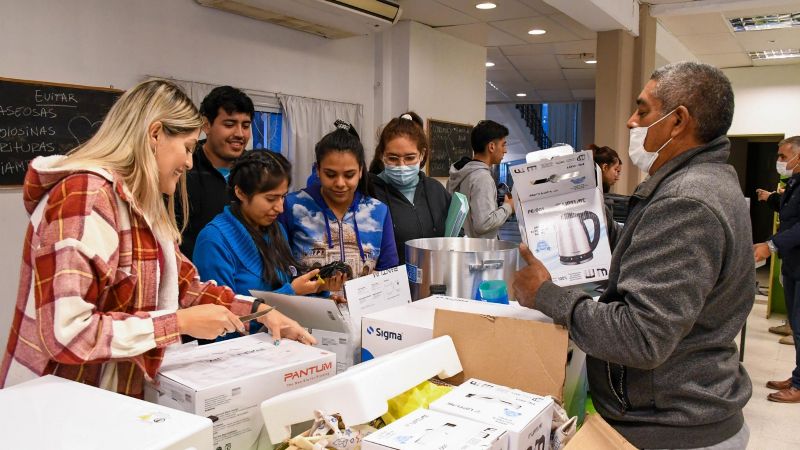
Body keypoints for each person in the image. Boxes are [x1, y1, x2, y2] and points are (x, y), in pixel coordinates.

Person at [0, 80, 312, 397]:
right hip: (59, 402)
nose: (190, 162)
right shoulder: (85, 198)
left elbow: (186, 287)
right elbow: (67, 333)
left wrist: (260, 310)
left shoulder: (140, 206)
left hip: (113, 397)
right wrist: (177, 323)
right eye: (188, 148)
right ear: (155, 135)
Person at [512, 62, 753, 448]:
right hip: (688, 409)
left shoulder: (686, 202)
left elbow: (641, 338)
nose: (629, 122)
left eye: (642, 110)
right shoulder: (710, 183)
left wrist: (547, 294)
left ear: (678, 122)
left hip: (671, 429)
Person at [194, 150, 339, 298]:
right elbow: (221, 314)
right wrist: (291, 292)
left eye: (283, 197)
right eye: (271, 199)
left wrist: (320, 295)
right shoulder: (213, 241)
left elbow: (288, 288)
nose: (280, 208)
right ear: (241, 193)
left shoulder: (276, 229)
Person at [280, 121, 399, 281]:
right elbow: (278, 268)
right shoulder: (291, 206)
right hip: (306, 304)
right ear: (317, 170)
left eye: (349, 175)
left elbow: (389, 272)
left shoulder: (379, 211)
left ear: (361, 172)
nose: (340, 183)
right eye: (330, 174)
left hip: (363, 305)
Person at [178, 85, 254, 259]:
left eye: (246, 125)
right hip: (192, 277)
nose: (240, 134)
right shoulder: (183, 167)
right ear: (206, 125)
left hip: (241, 278)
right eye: (229, 124)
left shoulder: (255, 171)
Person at [368, 112, 451, 264]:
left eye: (410, 158)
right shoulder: (369, 192)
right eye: (393, 158)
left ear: (422, 154)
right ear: (381, 155)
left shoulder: (435, 190)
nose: (402, 166)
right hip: (389, 283)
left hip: (433, 280)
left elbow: (454, 234)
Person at [754, 136, 800, 402]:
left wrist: (770, 245)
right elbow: (790, 210)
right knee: (796, 323)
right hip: (794, 263)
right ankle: (797, 377)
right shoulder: (793, 182)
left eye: (783, 157)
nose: (779, 162)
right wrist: (771, 198)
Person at [447, 120, 514, 239]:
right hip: (479, 253)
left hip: (463, 248)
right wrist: (508, 207)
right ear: (492, 147)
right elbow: (483, 224)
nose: (505, 150)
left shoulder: (461, 173)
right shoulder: (482, 178)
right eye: (503, 145)